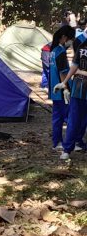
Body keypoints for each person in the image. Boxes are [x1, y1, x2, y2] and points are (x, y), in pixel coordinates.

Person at [53, 27, 87, 160]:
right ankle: (67, 149)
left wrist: (78, 73)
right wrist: (65, 83)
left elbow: (75, 67)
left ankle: (70, 147)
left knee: (76, 120)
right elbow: (74, 65)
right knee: (73, 120)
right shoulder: (82, 46)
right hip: (78, 90)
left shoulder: (81, 45)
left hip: (78, 88)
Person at [48, 26, 74, 150]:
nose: (71, 42)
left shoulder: (53, 50)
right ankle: (71, 143)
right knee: (69, 117)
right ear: (64, 37)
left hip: (54, 90)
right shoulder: (60, 52)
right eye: (70, 39)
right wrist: (66, 88)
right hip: (62, 90)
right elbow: (63, 72)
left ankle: (57, 142)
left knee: (57, 118)